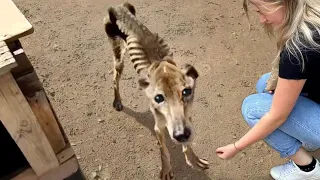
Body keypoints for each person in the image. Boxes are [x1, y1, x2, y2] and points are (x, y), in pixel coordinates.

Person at [215, 0, 320, 179]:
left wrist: (236, 147)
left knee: (253, 108)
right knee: (265, 84)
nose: (262, 19)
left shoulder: (297, 50)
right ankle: (309, 137)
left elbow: (277, 116)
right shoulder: (313, 17)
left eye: (263, 11)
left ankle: (307, 169)